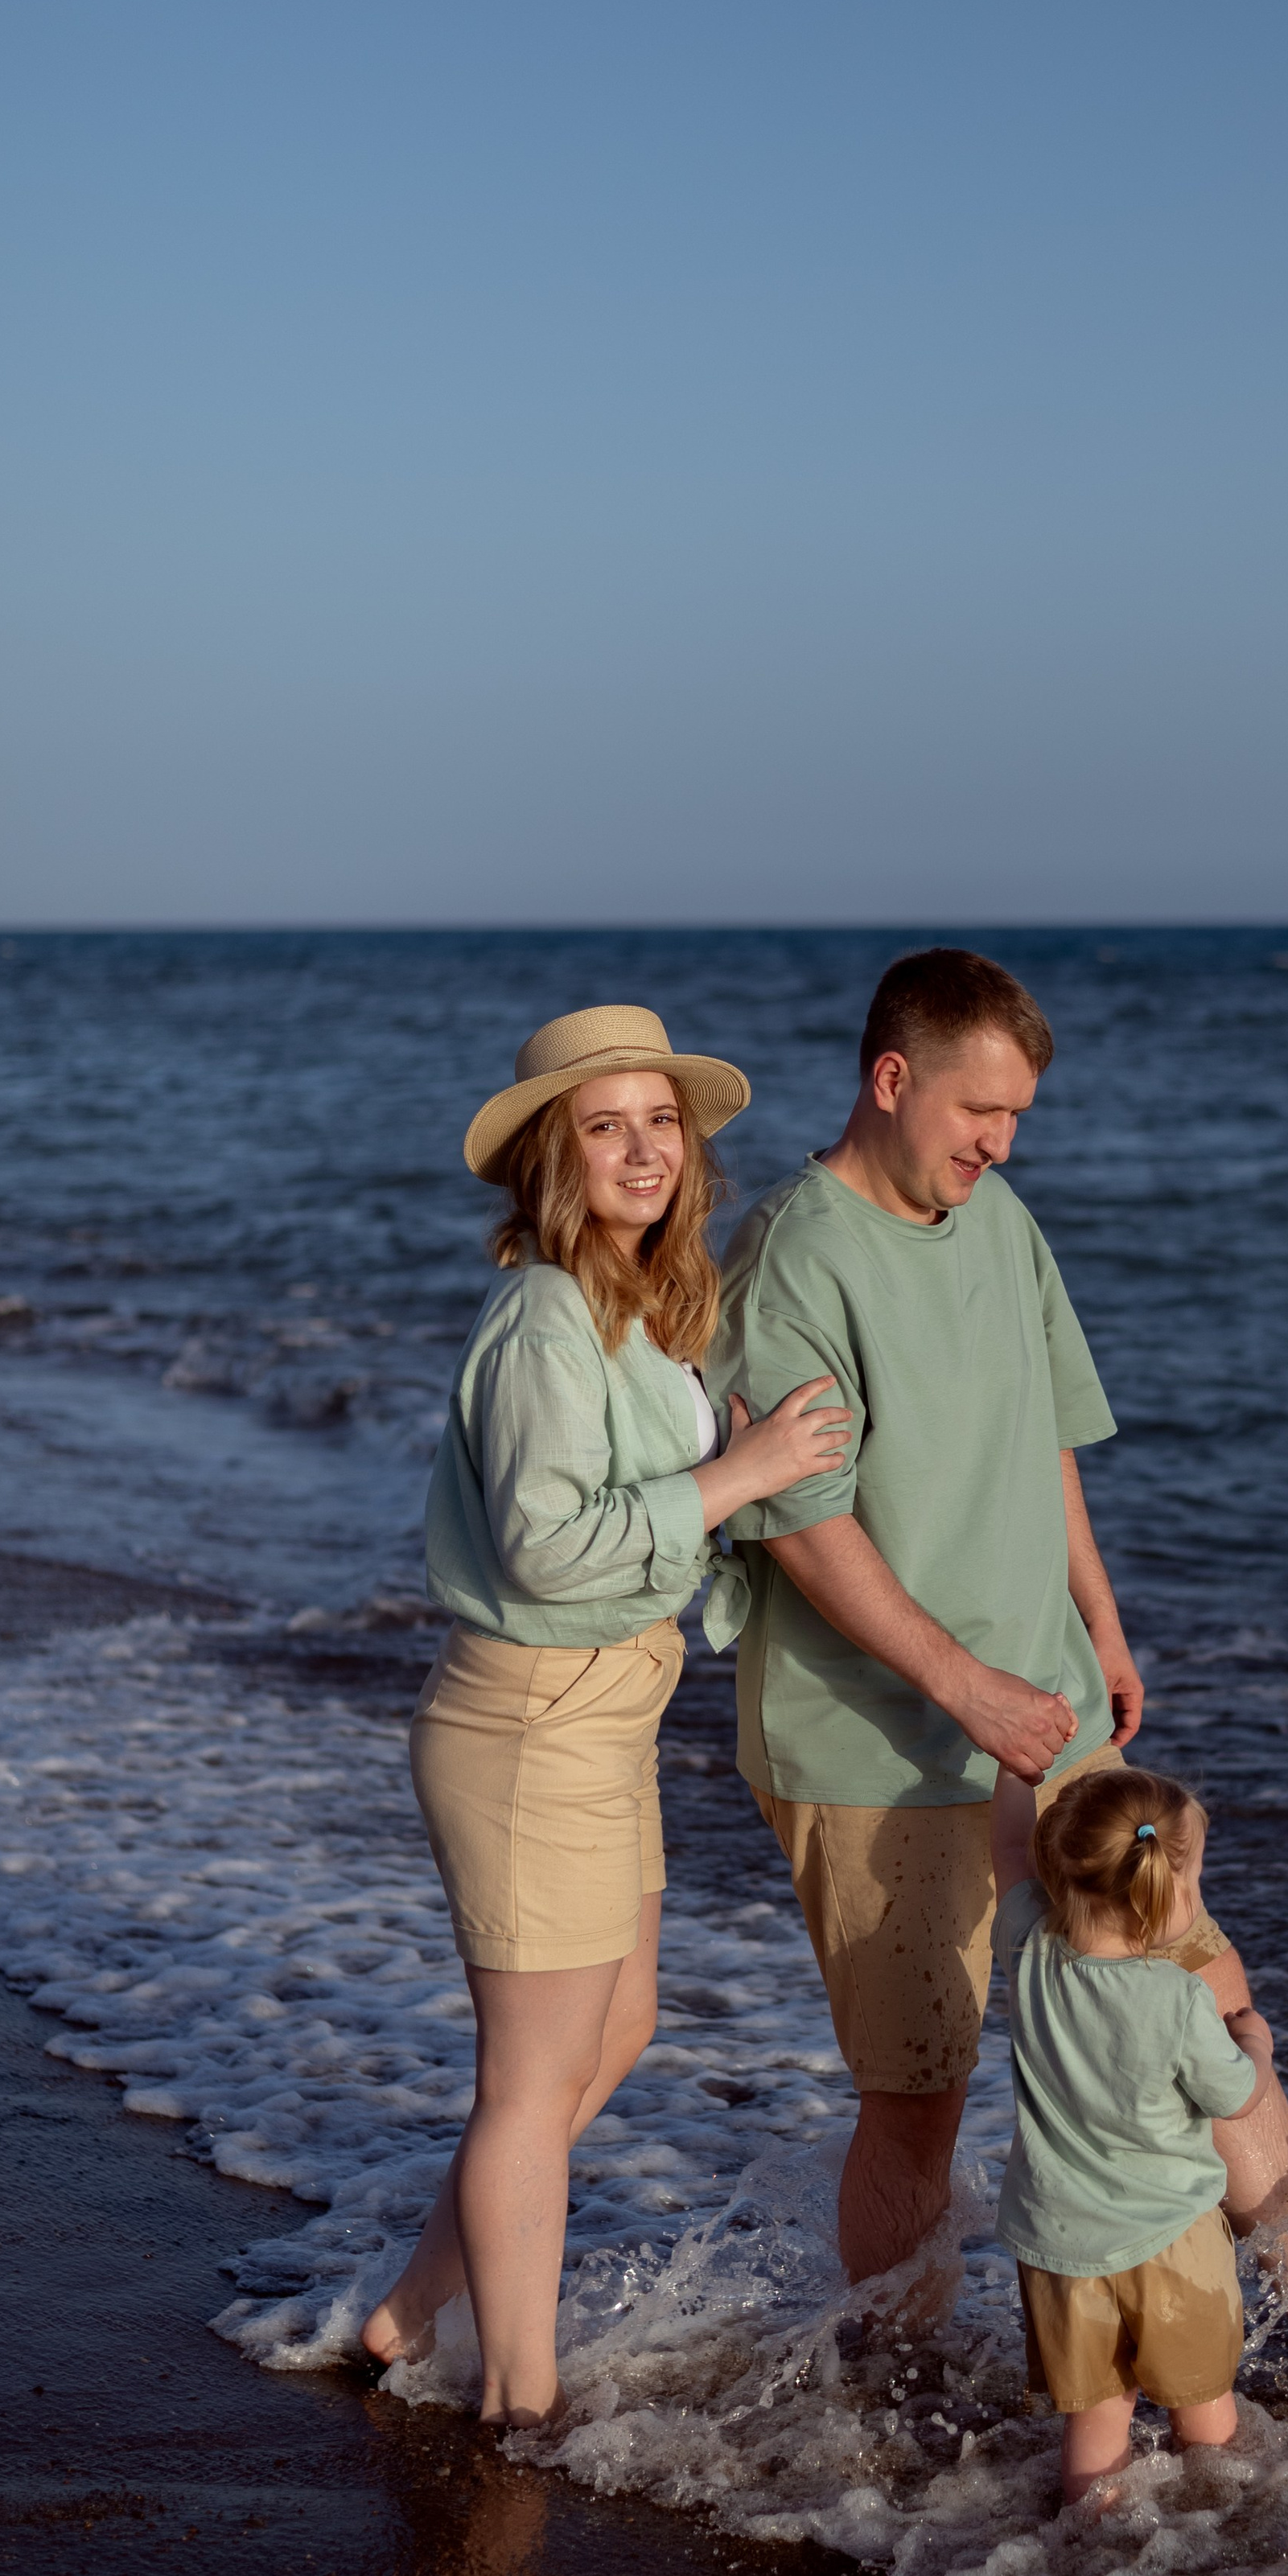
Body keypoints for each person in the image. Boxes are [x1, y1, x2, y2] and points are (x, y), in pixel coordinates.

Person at [359, 1005, 850, 2429]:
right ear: (556, 1160)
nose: (642, 1148)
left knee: (618, 2027)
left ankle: (409, 2310)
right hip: (528, 1723)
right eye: (606, 1125)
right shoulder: (544, 1317)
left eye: (660, 1120)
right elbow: (543, 1546)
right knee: (528, 2083)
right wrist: (739, 1476)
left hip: (608, 1715)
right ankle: (520, 2397)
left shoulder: (642, 1302)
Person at [705, 949, 1142, 2290]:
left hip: (1048, 1702)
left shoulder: (1002, 1222)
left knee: (1171, 2003)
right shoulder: (792, 1259)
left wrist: (1102, 1629)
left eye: (1018, 1119)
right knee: (923, 2094)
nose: (1001, 1145)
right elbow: (807, 1526)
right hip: (874, 1744)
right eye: (979, 1114)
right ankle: (894, 2405)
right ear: (892, 1080)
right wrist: (969, 1692)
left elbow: (1046, 1433)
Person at [989, 1758, 1277, 2504]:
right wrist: (1257, 2043)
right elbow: (1236, 2098)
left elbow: (1007, 1851)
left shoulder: (1026, 1949)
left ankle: (1085, 2548)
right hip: (1171, 2240)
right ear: (1162, 1889)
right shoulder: (1177, 1998)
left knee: (1095, 2424)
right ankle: (1223, 2532)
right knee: (1205, 2411)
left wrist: (1009, 1765)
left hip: (1059, 2243)